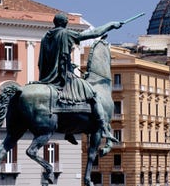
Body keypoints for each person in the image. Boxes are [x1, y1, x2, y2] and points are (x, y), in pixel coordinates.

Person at [38, 13, 122, 144]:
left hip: (47, 77)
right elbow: (94, 33)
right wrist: (111, 25)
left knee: (71, 100)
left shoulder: (45, 37)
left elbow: (41, 61)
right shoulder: (66, 33)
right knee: (93, 95)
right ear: (65, 23)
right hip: (63, 76)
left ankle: (69, 131)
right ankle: (104, 128)